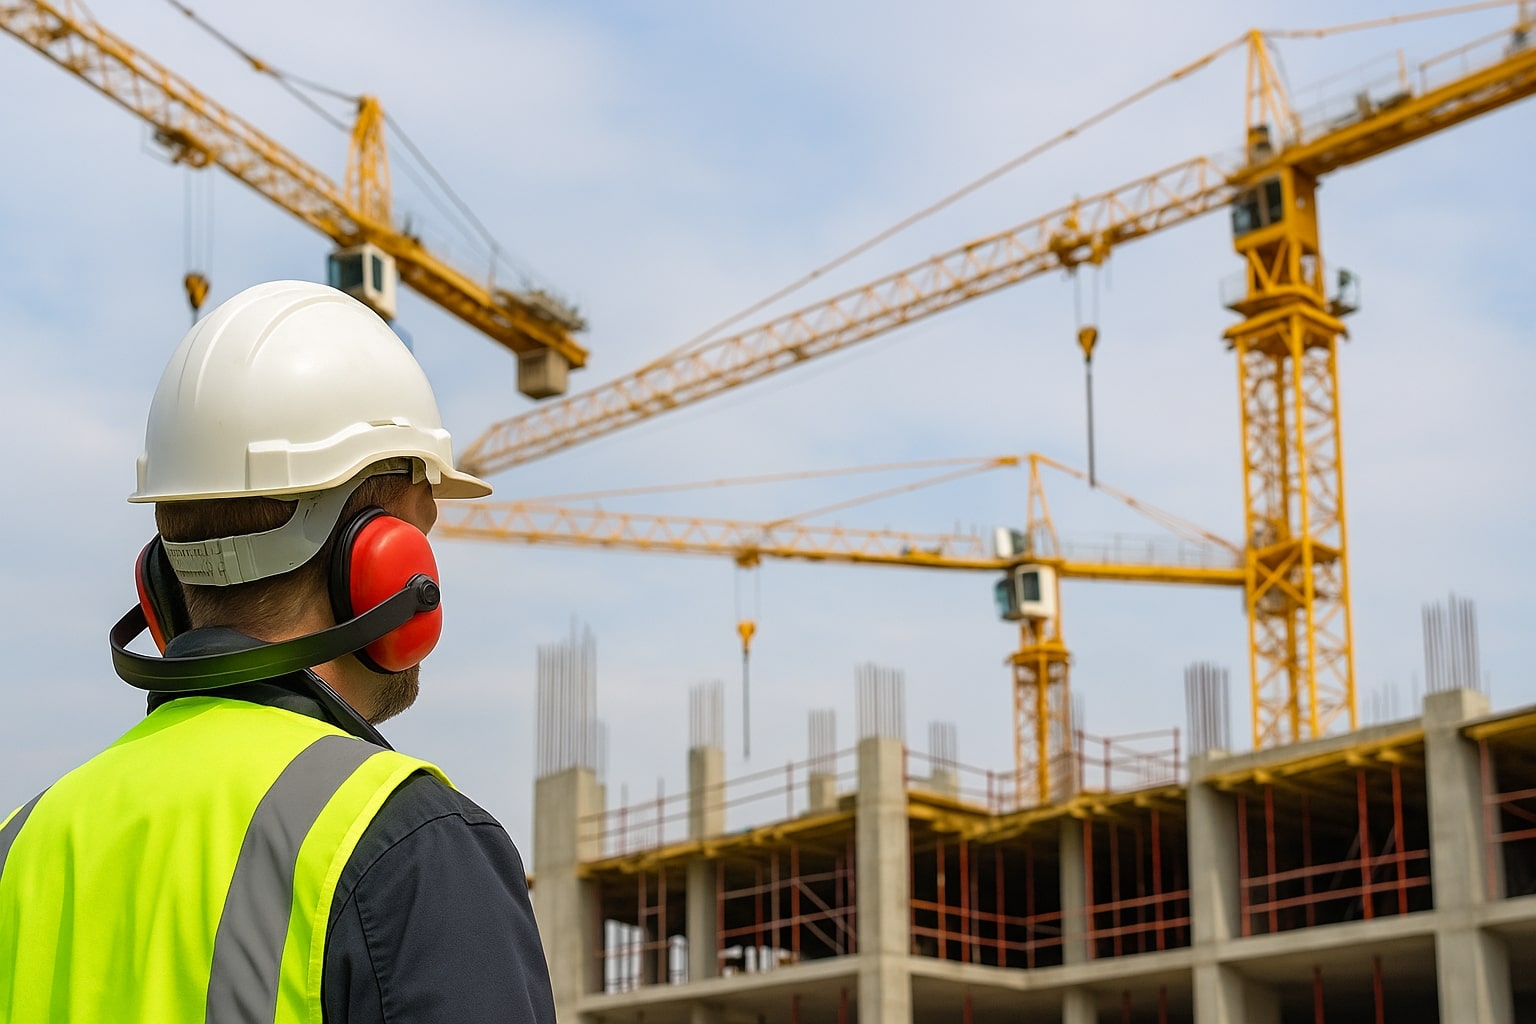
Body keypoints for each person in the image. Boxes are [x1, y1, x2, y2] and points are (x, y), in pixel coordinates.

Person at [0, 281, 555, 1023]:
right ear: (382, 564)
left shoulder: (21, 847)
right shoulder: (413, 850)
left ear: (162, 581)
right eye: (422, 532)